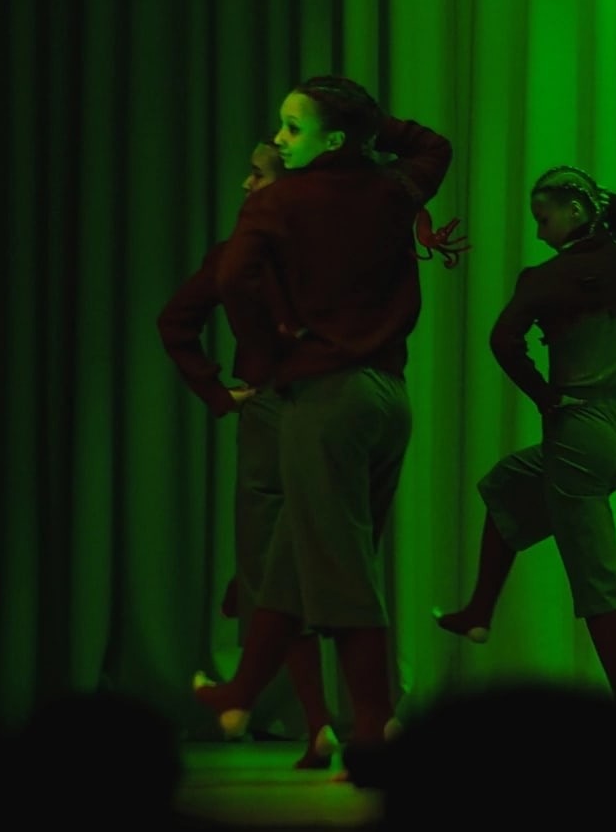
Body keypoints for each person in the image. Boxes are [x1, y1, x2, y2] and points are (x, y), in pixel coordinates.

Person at [189, 77, 453, 771]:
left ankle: (372, 720)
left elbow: (232, 279)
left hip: (326, 397)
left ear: (333, 140)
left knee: (339, 564)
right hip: (387, 397)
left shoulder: (277, 203)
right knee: (297, 554)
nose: (278, 140)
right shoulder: (393, 190)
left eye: (293, 127)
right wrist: (369, 126)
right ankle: (243, 689)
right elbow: (433, 146)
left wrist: (269, 350)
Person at [435, 167, 616, 725]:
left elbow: (502, 340)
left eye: (544, 217)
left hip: (577, 426)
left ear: (574, 212)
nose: (538, 230)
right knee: (507, 484)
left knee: (597, 584)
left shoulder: (545, 277)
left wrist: (542, 395)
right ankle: (479, 611)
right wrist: (590, 194)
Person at [158, 142, 338, 768]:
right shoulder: (334, 254)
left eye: (256, 175)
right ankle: (342, 718)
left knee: (271, 570)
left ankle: (316, 721)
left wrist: (219, 390)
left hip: (274, 411)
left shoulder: (240, 256)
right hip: (333, 412)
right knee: (326, 565)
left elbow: (175, 321)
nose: (244, 184)